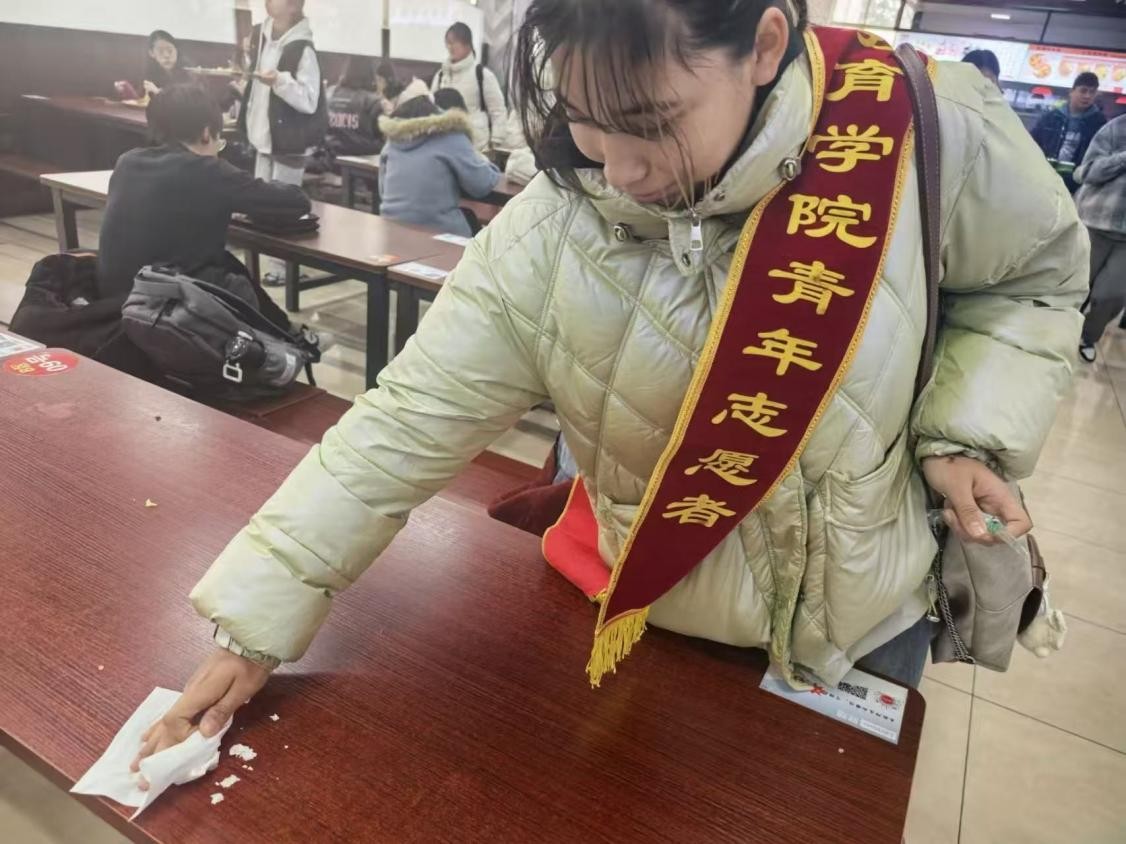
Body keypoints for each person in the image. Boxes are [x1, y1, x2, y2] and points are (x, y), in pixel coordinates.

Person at [133, 1, 1086, 768]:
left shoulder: (922, 130)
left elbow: (1032, 280)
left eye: (653, 124)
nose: (618, 169)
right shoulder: (551, 228)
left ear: (763, 45)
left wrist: (964, 431)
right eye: (585, 117)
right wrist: (255, 621)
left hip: (866, 628)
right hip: (647, 614)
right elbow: (406, 420)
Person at [97, 84, 309, 329]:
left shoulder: (127, 162)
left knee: (226, 262)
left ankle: (286, 331)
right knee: (232, 280)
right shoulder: (208, 170)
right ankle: (278, 342)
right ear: (207, 133)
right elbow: (296, 201)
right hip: (164, 312)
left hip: (113, 303)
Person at [376, 91, 501, 237]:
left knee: (467, 216)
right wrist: (490, 165)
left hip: (392, 229)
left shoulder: (392, 143)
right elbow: (482, 184)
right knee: (477, 228)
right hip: (439, 231)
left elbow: (382, 191)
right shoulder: (451, 136)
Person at [239, 0, 327, 187]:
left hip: (289, 144)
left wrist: (279, 81)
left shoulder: (303, 47)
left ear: (293, 6)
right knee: (261, 199)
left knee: (283, 201)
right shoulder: (261, 36)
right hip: (262, 140)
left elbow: (309, 100)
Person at [1075, 115, 1126, 362]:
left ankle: (1088, 336)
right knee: (1074, 286)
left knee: (1110, 296)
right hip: (1094, 222)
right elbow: (1087, 172)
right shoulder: (1116, 128)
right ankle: (1056, 330)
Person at [430, 22, 507, 152]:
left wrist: (496, 142)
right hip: (443, 144)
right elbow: (431, 108)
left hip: (476, 147)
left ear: (468, 44)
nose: (450, 47)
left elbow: (498, 111)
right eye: (448, 43)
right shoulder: (440, 75)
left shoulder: (482, 74)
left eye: (454, 42)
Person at [1031, 71, 1107, 193]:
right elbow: (1032, 143)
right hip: (1043, 177)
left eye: (1092, 92)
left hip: (1076, 184)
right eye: (1083, 91)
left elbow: (1099, 156)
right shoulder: (1051, 117)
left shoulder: (1099, 123)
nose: (1087, 96)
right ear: (1072, 91)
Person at [326, 56, 384, 156]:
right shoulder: (373, 101)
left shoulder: (329, 93)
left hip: (330, 155)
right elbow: (381, 135)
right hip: (362, 157)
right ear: (370, 74)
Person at [143, 30, 190, 96]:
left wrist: (158, 92)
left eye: (170, 51)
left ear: (177, 50)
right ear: (151, 53)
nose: (166, 55)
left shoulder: (189, 71)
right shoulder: (150, 74)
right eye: (160, 51)